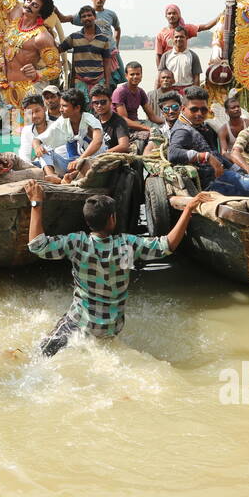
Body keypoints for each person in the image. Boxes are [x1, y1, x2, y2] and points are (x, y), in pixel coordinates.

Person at [24, 180, 199, 357]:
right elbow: (167, 245)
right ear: (112, 219)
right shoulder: (128, 244)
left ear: (87, 220)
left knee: (37, 356)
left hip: (82, 323)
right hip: (111, 327)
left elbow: (37, 246)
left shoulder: (77, 243)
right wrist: (187, 210)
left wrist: (36, 203)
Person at [168, 87, 249, 197]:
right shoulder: (182, 130)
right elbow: (173, 153)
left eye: (203, 110)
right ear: (183, 109)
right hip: (212, 184)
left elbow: (215, 152)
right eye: (194, 109)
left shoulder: (201, 126)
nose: (199, 113)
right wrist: (206, 156)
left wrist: (238, 170)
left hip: (225, 175)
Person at [0, 0, 62, 103]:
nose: (29, 5)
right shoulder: (15, 15)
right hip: (5, 89)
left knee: (28, 122)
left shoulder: (42, 37)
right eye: (28, 1)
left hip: (28, 92)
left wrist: (37, 74)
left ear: (40, 12)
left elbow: (55, 68)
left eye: (35, 5)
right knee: (3, 121)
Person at [32, 88, 103, 182]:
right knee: (45, 150)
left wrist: (79, 160)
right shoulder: (63, 120)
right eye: (61, 105)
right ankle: (52, 176)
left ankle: (72, 176)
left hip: (91, 162)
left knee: (87, 164)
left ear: (77, 108)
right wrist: (37, 147)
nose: (60, 109)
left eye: (64, 106)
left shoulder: (89, 119)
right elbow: (37, 140)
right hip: (71, 164)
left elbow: (97, 141)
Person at [70, 0, 124, 85]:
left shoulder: (111, 14)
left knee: (117, 79)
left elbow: (117, 28)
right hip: (94, 53)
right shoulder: (86, 14)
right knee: (94, 80)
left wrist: (116, 45)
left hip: (110, 52)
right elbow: (66, 18)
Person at [59, 6, 114, 94]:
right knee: (81, 107)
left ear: (94, 17)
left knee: (98, 106)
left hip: (99, 82)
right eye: (84, 16)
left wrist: (107, 84)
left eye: (89, 15)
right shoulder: (74, 37)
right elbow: (59, 49)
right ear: (81, 20)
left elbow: (107, 63)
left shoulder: (104, 39)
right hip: (80, 82)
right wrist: (49, 33)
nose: (87, 18)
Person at [112, 62, 162, 147]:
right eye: (132, 74)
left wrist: (168, 121)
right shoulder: (120, 92)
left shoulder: (140, 92)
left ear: (141, 75)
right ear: (126, 76)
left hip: (136, 123)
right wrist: (147, 128)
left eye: (138, 74)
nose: (135, 77)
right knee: (147, 135)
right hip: (121, 127)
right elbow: (124, 120)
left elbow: (152, 116)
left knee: (160, 129)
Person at [154, 4, 211, 70]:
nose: (171, 16)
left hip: (185, 63)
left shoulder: (185, 28)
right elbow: (158, 55)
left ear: (179, 15)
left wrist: (220, 16)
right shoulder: (161, 34)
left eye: (174, 13)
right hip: (169, 66)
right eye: (169, 14)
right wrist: (160, 72)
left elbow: (206, 26)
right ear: (166, 16)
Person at [89, 86, 133, 153]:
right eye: (96, 103)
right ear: (92, 105)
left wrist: (101, 154)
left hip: (112, 159)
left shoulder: (119, 122)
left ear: (110, 101)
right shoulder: (93, 120)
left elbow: (124, 146)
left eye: (103, 102)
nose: (99, 105)